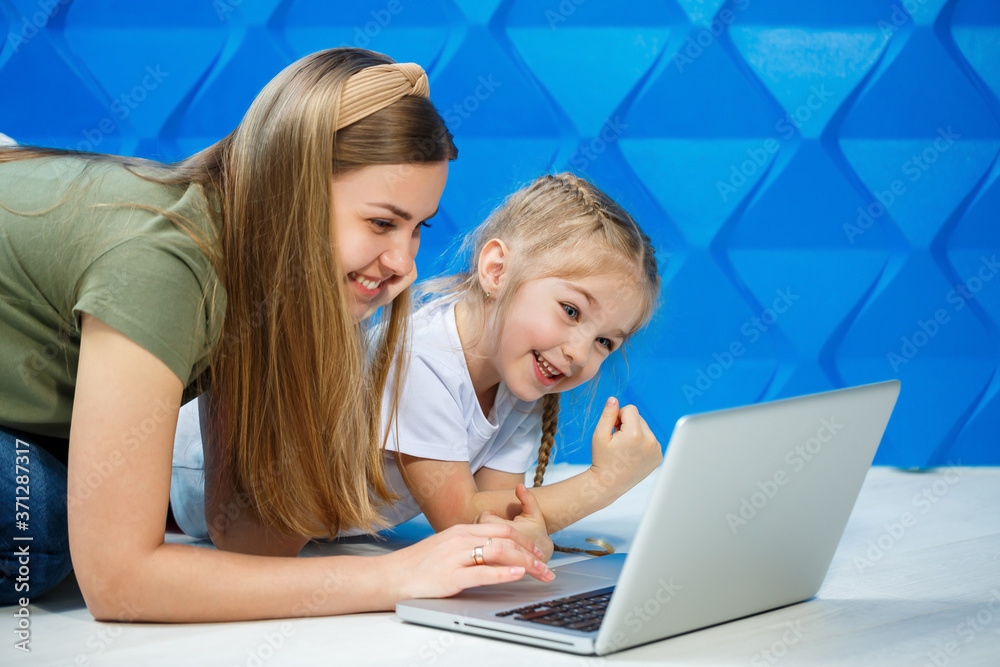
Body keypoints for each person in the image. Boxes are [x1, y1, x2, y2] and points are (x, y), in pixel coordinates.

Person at [0, 47, 553, 622]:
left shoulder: (258, 279)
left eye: (417, 229)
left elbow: (251, 538)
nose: (404, 264)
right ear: (293, 188)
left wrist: (324, 329)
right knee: (39, 517)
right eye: (382, 223)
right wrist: (396, 574)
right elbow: (119, 583)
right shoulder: (163, 265)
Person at [172, 172, 663, 557]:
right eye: (571, 311)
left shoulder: (524, 378)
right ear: (497, 270)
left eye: (604, 341)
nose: (579, 351)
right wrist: (604, 482)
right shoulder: (425, 358)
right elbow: (462, 518)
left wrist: (524, 531)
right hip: (194, 472)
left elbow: (496, 513)